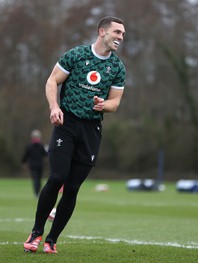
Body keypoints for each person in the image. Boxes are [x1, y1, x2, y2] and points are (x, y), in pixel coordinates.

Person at [23, 16, 126, 254]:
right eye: (117, 32)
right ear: (102, 32)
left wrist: (103, 105)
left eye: (122, 34)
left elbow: (115, 103)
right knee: (57, 176)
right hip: (66, 123)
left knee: (72, 188)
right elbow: (52, 81)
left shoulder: (118, 68)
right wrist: (54, 107)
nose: (121, 37)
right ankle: (36, 233)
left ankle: (52, 240)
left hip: (91, 131)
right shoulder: (77, 55)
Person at [21, 129, 48, 197]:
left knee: (36, 179)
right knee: (38, 180)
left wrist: (23, 162)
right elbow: (45, 154)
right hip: (39, 165)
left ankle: (36, 193)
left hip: (33, 165)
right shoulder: (41, 145)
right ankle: (37, 193)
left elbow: (26, 155)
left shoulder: (30, 146)